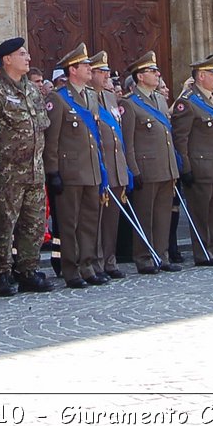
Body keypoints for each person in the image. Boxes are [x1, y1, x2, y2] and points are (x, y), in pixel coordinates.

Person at [0, 37, 52, 295]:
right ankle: (1, 273)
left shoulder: (33, 91)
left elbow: (42, 127)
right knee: (4, 224)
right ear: (7, 59)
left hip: (34, 169)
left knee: (33, 224)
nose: (28, 58)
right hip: (7, 172)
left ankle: (28, 270)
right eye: (22, 54)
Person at [44, 43, 107, 285]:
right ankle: (71, 269)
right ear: (72, 70)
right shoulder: (58, 99)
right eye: (86, 65)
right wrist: (53, 171)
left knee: (90, 221)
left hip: (90, 170)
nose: (90, 69)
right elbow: (53, 140)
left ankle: (88, 265)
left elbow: (95, 137)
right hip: (69, 171)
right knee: (70, 223)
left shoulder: (90, 96)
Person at [120, 51, 181, 273]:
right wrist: (133, 169)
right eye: (151, 71)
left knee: (163, 215)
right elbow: (129, 140)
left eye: (156, 71)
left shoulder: (160, 100)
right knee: (145, 215)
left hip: (165, 166)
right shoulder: (129, 104)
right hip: (146, 167)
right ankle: (144, 257)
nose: (157, 75)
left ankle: (162, 255)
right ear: (139, 76)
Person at [172, 55, 213, 264]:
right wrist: (186, 167)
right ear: (201, 76)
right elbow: (181, 138)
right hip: (201, 166)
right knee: (201, 213)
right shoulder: (188, 102)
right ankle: (203, 252)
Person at [88, 51, 133, 279]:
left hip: (115, 165)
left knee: (112, 219)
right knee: (96, 219)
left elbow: (118, 132)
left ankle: (109, 260)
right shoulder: (86, 98)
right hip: (99, 165)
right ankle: (95, 262)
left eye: (106, 71)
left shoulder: (109, 98)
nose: (107, 75)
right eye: (101, 71)